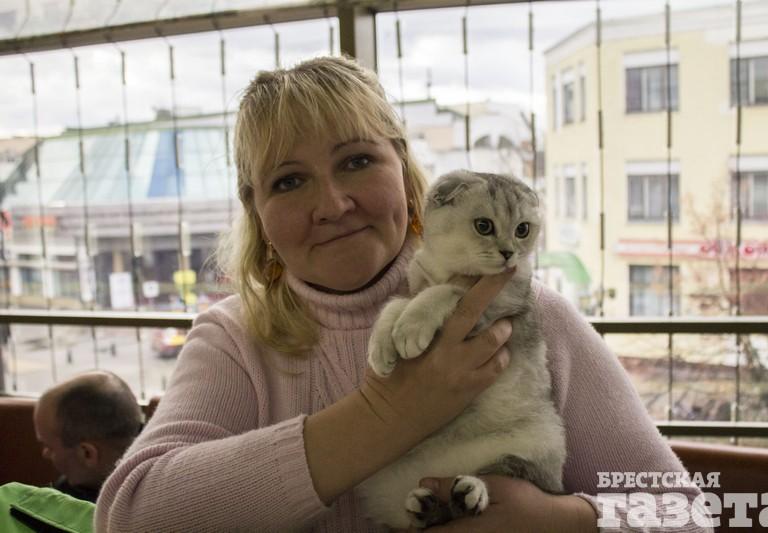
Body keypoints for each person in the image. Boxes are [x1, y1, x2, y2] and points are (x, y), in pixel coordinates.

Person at [95, 56, 709, 532]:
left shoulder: (524, 309)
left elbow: (685, 513)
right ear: (257, 213)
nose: (333, 204)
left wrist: (564, 520)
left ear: (406, 174)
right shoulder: (234, 340)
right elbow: (129, 517)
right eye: (288, 181)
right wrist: (390, 414)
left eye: (357, 161)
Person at [33, 370, 143, 503]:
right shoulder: (161, 479)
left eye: (50, 447)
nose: (45, 453)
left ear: (87, 453)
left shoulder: (67, 508)